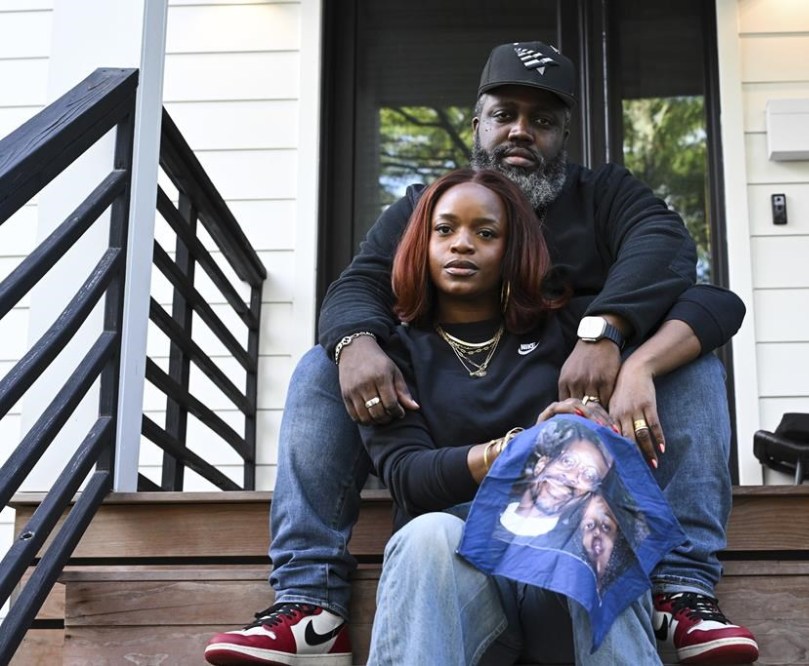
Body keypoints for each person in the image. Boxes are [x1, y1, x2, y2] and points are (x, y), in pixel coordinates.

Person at [204, 41, 757, 666]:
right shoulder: (424, 220)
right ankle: (310, 598)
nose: (521, 130)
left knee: (689, 359)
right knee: (325, 364)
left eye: (542, 119)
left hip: (569, 477)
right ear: (477, 124)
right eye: (504, 114)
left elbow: (694, 281)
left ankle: (679, 589)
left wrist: (618, 346)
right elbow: (359, 288)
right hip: (451, 534)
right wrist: (357, 342)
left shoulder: (600, 205)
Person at [362, 166, 689, 663]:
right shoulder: (392, 356)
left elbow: (715, 303)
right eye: (445, 230)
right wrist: (523, 449)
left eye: (485, 233)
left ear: (512, 249)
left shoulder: (565, 329)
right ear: (420, 244)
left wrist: (632, 361)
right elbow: (409, 477)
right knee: (427, 533)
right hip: (459, 588)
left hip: (556, 584)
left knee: (594, 510)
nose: (462, 244)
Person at [499, 419, 612, 537]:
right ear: (541, 464)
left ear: (588, 495)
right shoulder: (491, 506)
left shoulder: (575, 545)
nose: (572, 476)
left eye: (589, 476)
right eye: (567, 461)